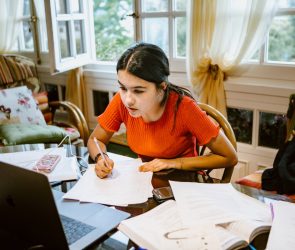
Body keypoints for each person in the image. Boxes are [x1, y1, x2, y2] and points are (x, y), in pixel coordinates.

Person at [87, 42, 238, 179]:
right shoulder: (121, 101)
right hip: (145, 180)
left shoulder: (185, 108)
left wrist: (173, 163)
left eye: (138, 91)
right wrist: (101, 158)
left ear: (162, 87)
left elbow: (229, 157)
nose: (128, 100)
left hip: (185, 181)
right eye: (122, 88)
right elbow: (96, 140)